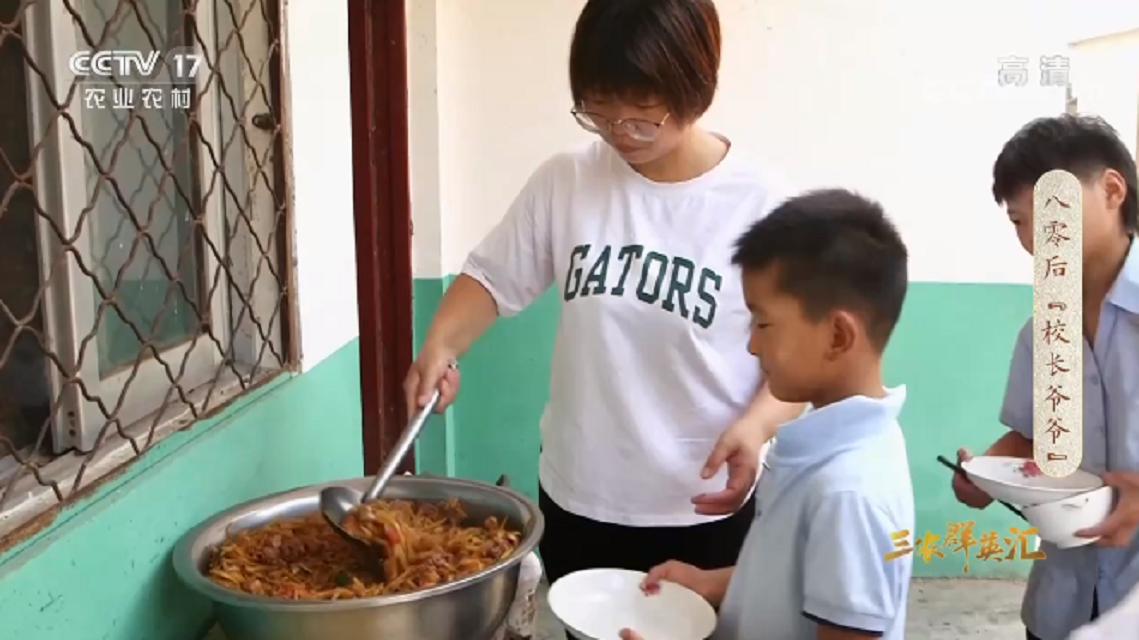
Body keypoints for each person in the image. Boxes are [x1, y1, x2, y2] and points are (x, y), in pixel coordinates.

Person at [402, 0, 803, 609]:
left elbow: (800, 365)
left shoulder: (762, 205)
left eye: (641, 117)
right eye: (598, 112)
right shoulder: (565, 182)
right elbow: (490, 278)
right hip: (578, 499)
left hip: (702, 506)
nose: (620, 134)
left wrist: (758, 423)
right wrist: (440, 345)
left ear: (696, 87)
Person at [622, 189, 915, 640]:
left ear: (837, 335)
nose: (753, 345)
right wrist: (709, 583)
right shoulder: (842, 445)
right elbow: (792, 573)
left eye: (763, 323)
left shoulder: (848, 493)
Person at [950, 114, 1139, 640]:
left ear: (1111, 190)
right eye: (1019, 222)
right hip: (1064, 599)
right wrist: (986, 473)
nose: (1036, 239)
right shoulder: (1043, 330)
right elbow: (1033, 436)